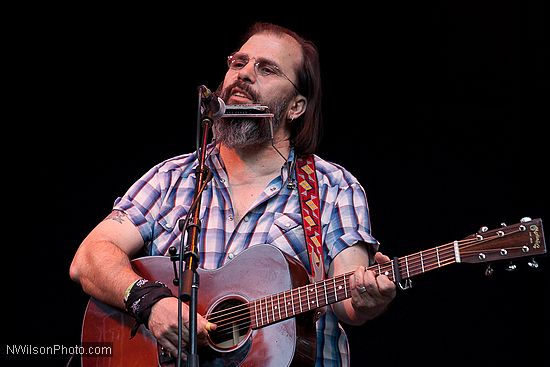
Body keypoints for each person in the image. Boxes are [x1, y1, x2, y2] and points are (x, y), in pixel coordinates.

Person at [70, 22, 396, 366]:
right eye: (239, 63)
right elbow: (89, 258)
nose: (244, 74)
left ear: (296, 106)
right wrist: (150, 302)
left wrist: (367, 298)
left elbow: (349, 300)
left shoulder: (332, 187)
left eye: (266, 68)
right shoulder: (173, 177)